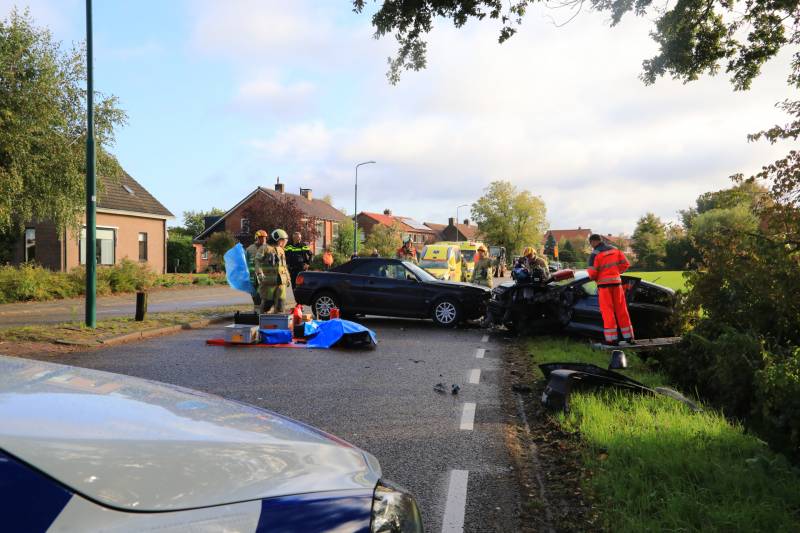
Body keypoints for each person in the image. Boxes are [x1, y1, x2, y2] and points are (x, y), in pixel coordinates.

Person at [587, 233, 634, 345]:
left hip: (604, 287)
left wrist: (600, 278)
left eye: (591, 244)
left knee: (608, 313)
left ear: (593, 242)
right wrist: (616, 273)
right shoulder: (615, 250)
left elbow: (592, 274)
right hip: (617, 285)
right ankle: (629, 337)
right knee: (622, 311)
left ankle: (612, 340)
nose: (591, 246)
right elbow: (626, 264)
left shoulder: (594, 254)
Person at [255, 229, 291, 314]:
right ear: (277, 239)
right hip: (268, 282)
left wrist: (288, 278)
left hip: (281, 282)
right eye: (283, 240)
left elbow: (284, 266)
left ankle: (279, 322)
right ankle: (264, 321)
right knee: (267, 304)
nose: (284, 242)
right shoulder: (264, 248)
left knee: (280, 303)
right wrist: (260, 273)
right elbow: (257, 261)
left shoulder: (281, 250)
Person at [245, 230, 267, 312]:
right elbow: (245, 262)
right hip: (252, 277)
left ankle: (262, 311)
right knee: (255, 295)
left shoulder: (268, 248)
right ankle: (257, 312)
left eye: (265, 238)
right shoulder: (249, 249)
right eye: (261, 238)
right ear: (256, 238)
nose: (263, 240)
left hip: (264, 276)